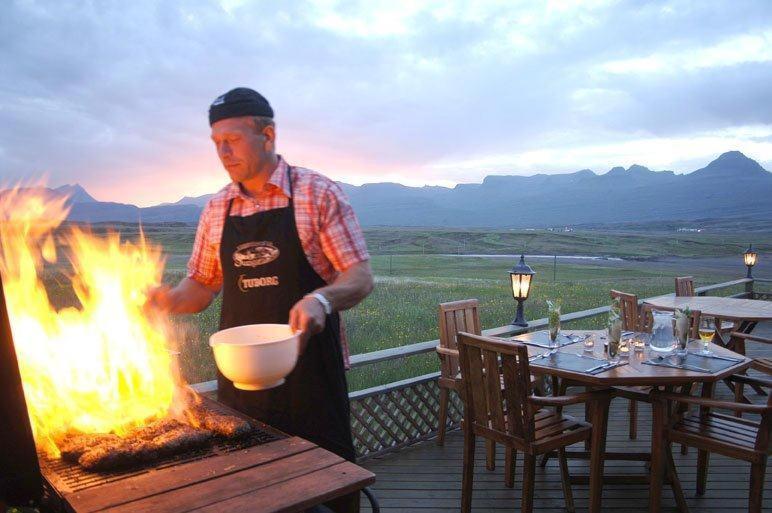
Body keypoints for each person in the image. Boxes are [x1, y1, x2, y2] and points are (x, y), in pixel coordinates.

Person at [150, 87, 373, 513]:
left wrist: (322, 301)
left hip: (312, 382)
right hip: (240, 386)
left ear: (267, 135)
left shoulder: (316, 193)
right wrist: (163, 300)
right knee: (250, 494)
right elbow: (199, 289)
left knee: (329, 489)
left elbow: (360, 277)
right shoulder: (218, 209)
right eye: (216, 143)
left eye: (232, 140)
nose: (223, 152)